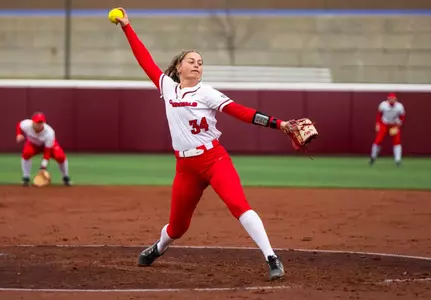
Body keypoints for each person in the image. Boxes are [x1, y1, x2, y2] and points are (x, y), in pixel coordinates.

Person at [112, 8, 298, 281]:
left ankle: (272, 257)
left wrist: (279, 124)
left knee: (239, 205)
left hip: (214, 160)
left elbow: (241, 112)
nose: (197, 64)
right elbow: (145, 60)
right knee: (177, 227)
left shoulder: (207, 92)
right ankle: (159, 247)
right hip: (185, 167)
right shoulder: (167, 87)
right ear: (179, 67)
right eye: (191, 60)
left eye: (201, 61)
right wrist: (127, 27)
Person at [16, 112, 71, 186]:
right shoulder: (26, 124)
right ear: (33, 122)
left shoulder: (49, 132)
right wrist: (19, 134)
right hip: (33, 144)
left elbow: (47, 152)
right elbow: (19, 125)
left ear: (44, 122)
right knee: (26, 153)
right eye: (37, 122)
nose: (39, 124)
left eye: (41, 122)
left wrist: (43, 167)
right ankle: (26, 177)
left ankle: (65, 177)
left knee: (60, 156)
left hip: (48, 146)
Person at [369, 92, 406, 167]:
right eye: (390, 99)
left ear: (395, 99)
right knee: (378, 140)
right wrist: (378, 124)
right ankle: (373, 157)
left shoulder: (399, 106)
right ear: (388, 99)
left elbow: (402, 116)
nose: (392, 100)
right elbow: (379, 115)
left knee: (397, 141)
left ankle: (398, 160)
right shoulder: (383, 105)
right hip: (384, 123)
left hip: (394, 124)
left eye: (393, 99)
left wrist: (399, 125)